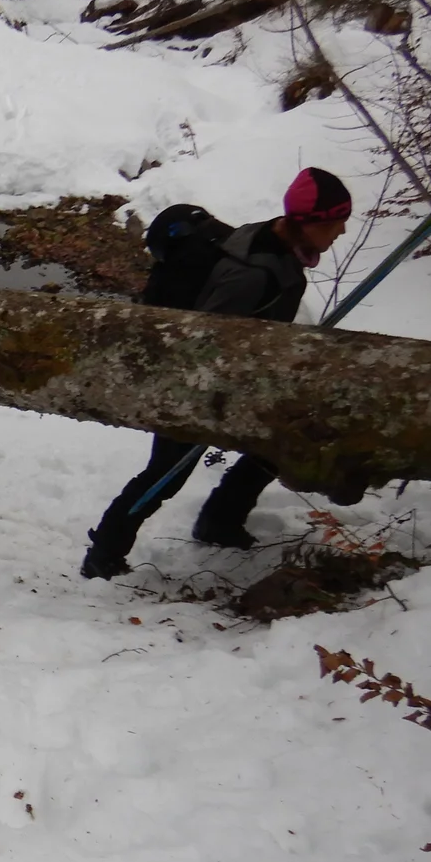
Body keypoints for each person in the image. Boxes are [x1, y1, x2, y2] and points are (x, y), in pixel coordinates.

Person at [79, 167, 355, 579]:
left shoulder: (274, 243)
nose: (341, 233)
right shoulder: (252, 273)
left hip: (238, 380)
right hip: (193, 385)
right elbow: (205, 343)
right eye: (335, 224)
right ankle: (103, 553)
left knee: (276, 441)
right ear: (308, 223)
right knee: (166, 476)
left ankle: (220, 521)